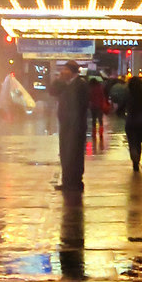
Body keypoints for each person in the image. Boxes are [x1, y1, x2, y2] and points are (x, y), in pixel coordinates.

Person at [49, 61, 89, 192]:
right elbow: (52, 91)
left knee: (75, 154)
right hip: (65, 125)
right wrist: (60, 79)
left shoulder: (80, 85)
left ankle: (76, 182)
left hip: (76, 126)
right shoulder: (64, 84)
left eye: (65, 69)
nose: (63, 72)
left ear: (72, 71)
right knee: (65, 153)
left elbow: (81, 106)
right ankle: (66, 181)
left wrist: (75, 123)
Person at [123, 74, 142, 171]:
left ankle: (134, 157)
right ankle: (137, 161)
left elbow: (120, 109)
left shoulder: (128, 95)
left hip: (131, 120)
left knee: (132, 142)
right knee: (138, 142)